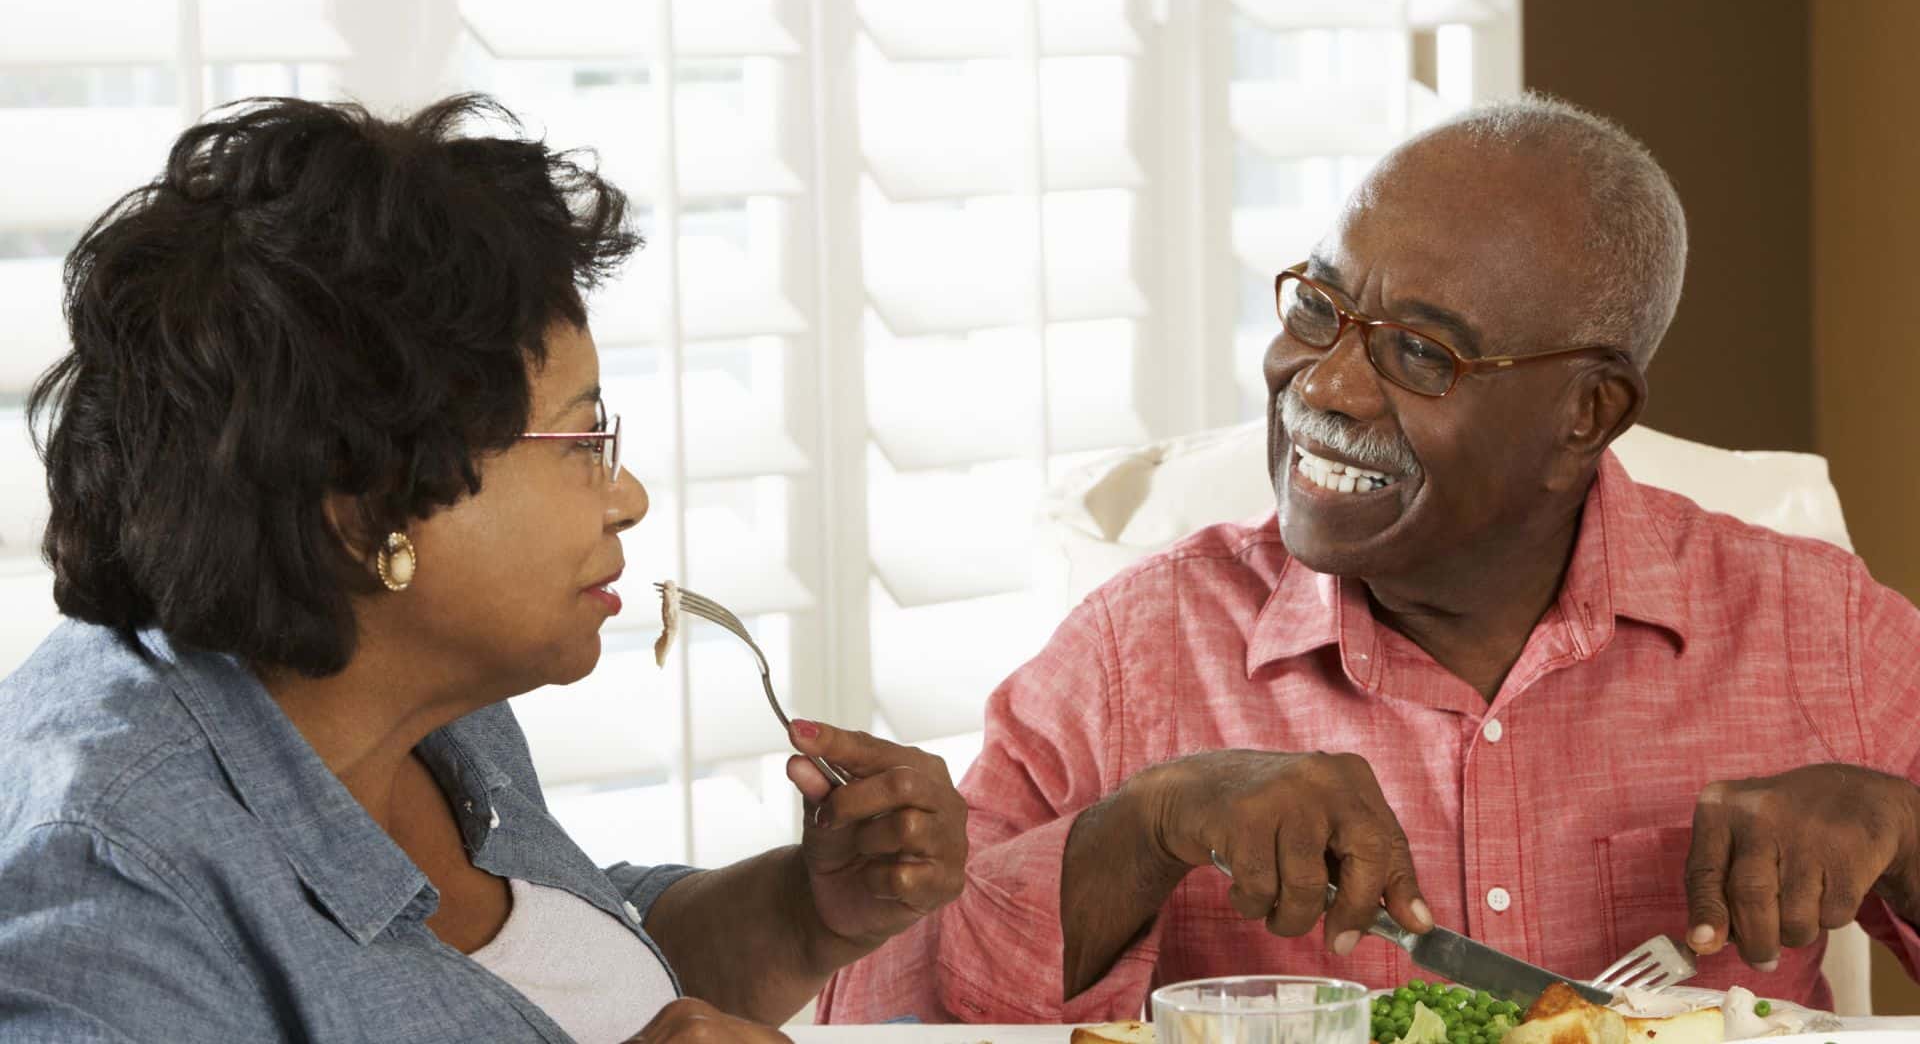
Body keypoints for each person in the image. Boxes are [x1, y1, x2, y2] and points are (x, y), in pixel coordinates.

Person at [818, 93, 1920, 1024]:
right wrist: (1147, 827)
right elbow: (877, 1013)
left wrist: (1906, 835)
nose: (1324, 385)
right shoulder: (1137, 655)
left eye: (1418, 353)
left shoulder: (1819, 633)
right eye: (1320, 308)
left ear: (1587, 412)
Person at [0, 95, 968, 1044]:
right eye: (583, 437)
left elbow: (545, 984)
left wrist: (805, 913)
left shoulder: (413, 691)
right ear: (365, 498)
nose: (625, 495)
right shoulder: (105, 885)